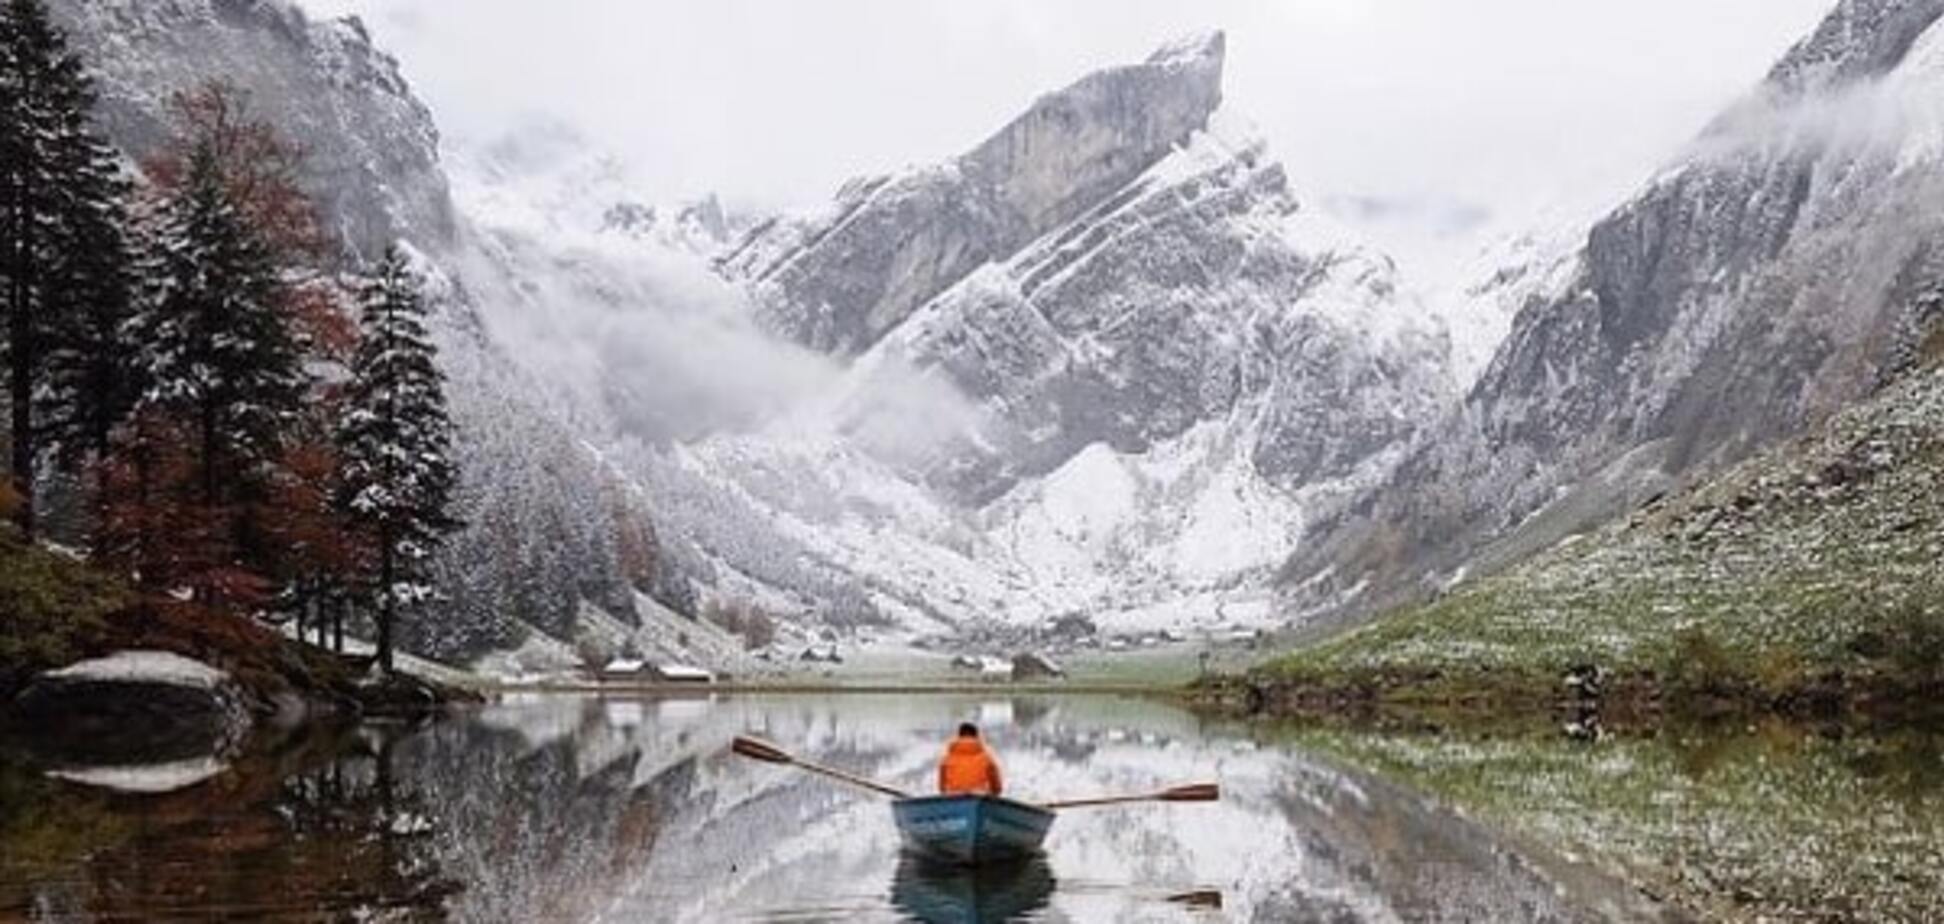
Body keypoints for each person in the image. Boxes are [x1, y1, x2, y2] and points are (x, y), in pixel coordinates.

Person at [937, 722, 1003, 796]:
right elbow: (997, 788)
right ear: (976, 736)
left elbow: (942, 788)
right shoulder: (987, 759)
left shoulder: (946, 760)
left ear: (959, 736)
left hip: (954, 796)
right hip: (979, 795)